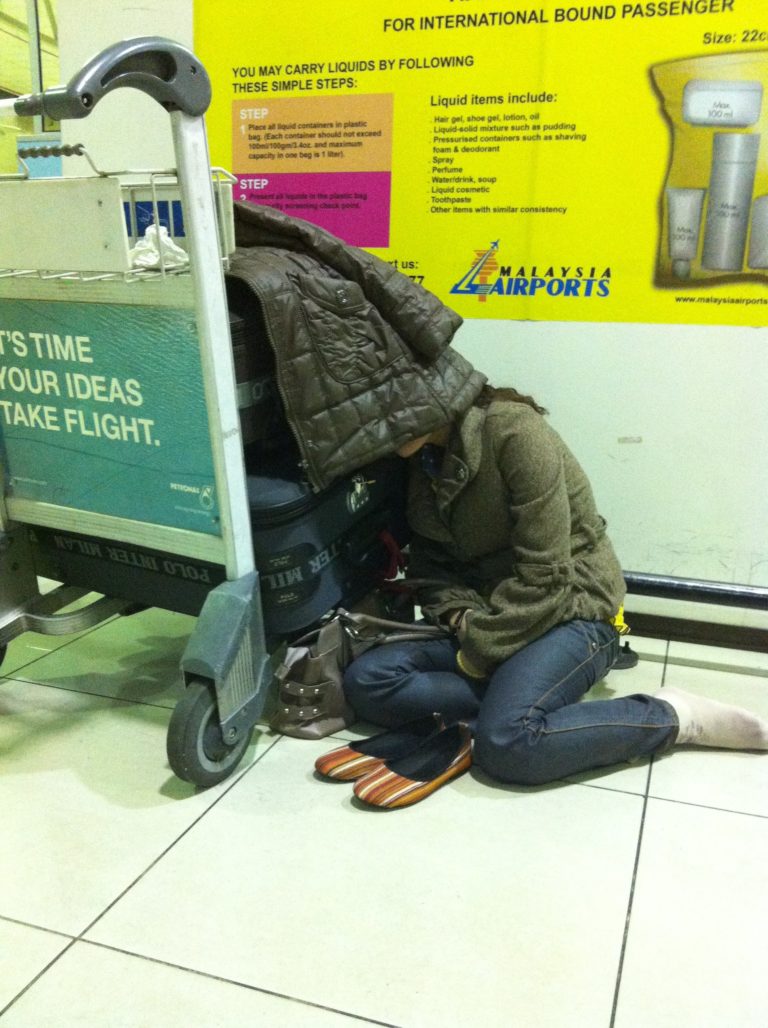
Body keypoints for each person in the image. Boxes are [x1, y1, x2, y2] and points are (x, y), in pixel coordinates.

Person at [339, 385, 768, 798]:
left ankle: (674, 716)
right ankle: (519, 696)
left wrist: (478, 648)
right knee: (367, 681)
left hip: (570, 611)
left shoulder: (513, 431)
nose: (372, 421)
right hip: (488, 620)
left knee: (508, 745)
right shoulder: (419, 462)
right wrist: (462, 617)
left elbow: (547, 574)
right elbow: (432, 565)